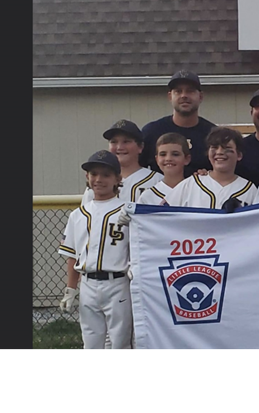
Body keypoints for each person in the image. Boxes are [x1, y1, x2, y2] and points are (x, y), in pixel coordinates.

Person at [58, 150, 133, 350]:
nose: (99, 179)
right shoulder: (78, 214)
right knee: (91, 342)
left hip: (118, 282)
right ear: (87, 177)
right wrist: (71, 289)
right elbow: (73, 256)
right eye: (94, 174)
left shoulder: (128, 211)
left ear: (118, 178)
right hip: (88, 284)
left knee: (120, 343)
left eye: (106, 175)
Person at [141, 70, 217, 178]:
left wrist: (210, 175)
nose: (184, 96)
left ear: (200, 96)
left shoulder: (213, 135)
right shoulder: (151, 132)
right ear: (170, 97)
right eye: (178, 91)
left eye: (190, 91)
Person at [164, 127, 259, 210]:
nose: (220, 152)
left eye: (227, 148)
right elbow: (163, 215)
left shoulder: (250, 189)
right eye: (214, 147)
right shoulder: (190, 184)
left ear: (239, 155)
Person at [82, 119, 163, 205]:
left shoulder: (157, 181)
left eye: (126, 141)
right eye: (114, 142)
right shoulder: (98, 184)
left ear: (140, 147)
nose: (120, 147)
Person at [136, 133, 192, 205]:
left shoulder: (195, 191)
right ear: (157, 159)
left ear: (187, 159)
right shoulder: (147, 197)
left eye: (175, 154)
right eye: (163, 154)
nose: (168, 158)